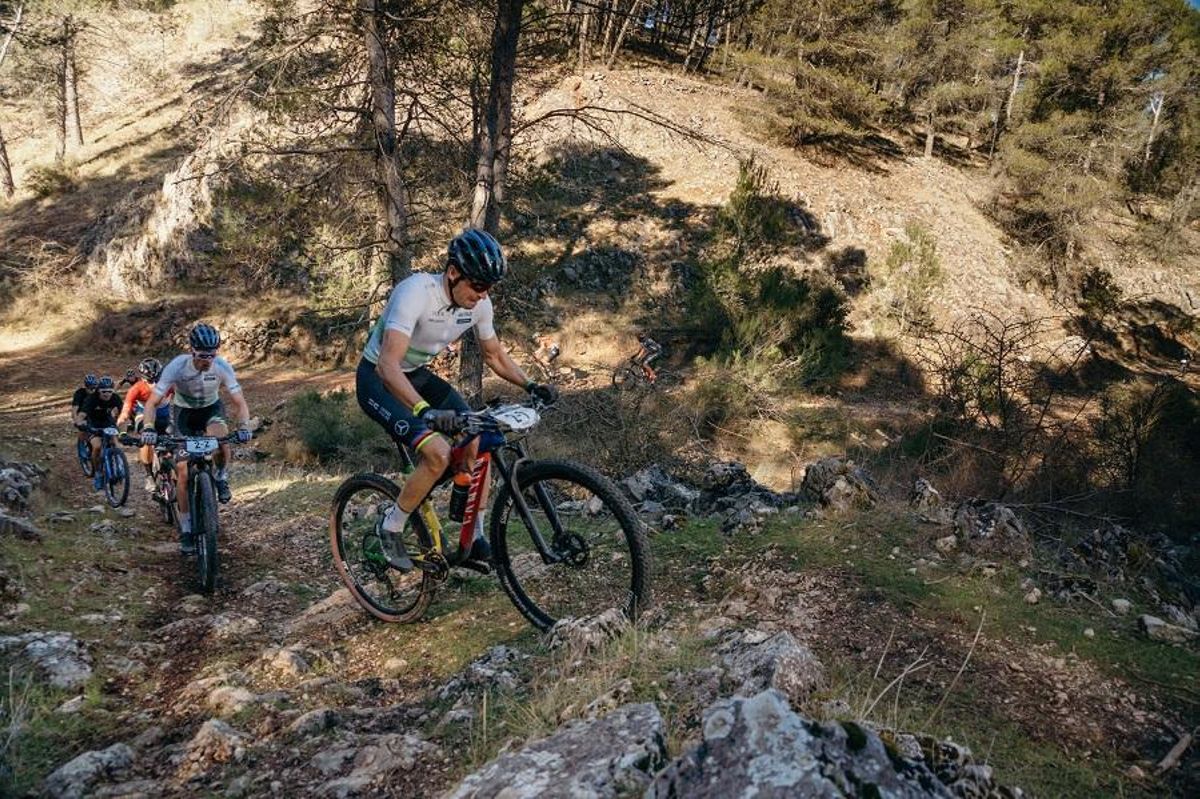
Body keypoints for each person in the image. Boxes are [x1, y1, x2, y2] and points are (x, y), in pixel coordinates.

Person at [356, 228, 557, 570]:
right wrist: (425, 411)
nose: (482, 295)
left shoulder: (479, 304)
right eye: (478, 285)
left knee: (479, 439)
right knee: (438, 454)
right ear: (453, 272)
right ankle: (390, 526)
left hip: (416, 374)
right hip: (378, 378)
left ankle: (474, 536)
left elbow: (494, 355)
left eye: (489, 288)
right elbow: (389, 365)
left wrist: (531, 385)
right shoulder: (415, 293)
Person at [140, 324, 253, 553]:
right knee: (182, 471)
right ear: (192, 350)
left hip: (211, 410)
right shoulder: (177, 367)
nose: (207, 360)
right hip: (184, 414)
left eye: (212, 355)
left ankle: (220, 477)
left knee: (221, 442)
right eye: (203, 355)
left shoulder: (221, 367)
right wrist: (149, 427)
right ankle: (187, 530)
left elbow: (239, 402)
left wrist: (243, 426)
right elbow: (152, 402)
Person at [116, 358, 171, 493]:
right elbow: (125, 413)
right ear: (143, 378)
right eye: (150, 381)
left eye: (158, 379)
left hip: (165, 418)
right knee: (146, 438)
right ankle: (149, 476)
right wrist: (122, 432)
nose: (154, 384)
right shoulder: (136, 388)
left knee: (175, 440)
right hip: (144, 418)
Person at [76, 376, 123, 491]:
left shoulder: (115, 398)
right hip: (93, 424)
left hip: (107, 422)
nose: (107, 394)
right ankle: (98, 473)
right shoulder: (92, 399)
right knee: (97, 447)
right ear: (98, 391)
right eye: (104, 392)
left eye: (109, 391)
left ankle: (121, 466)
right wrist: (79, 423)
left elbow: (124, 412)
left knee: (116, 442)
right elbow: (81, 415)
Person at [71, 374, 98, 449]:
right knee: (84, 429)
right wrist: (76, 420)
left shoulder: (97, 393)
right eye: (90, 388)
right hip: (81, 414)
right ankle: (83, 445)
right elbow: (74, 409)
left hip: (93, 414)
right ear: (86, 387)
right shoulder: (79, 393)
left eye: (94, 388)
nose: (92, 390)